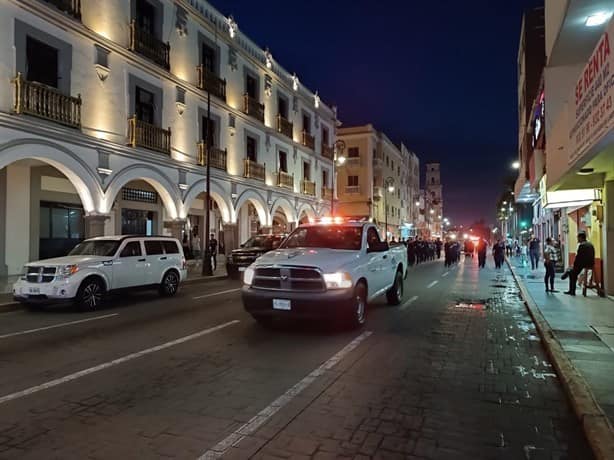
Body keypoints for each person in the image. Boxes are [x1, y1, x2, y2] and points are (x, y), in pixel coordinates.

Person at [564, 231, 595, 296]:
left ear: (581, 238)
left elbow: (578, 258)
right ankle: (567, 272)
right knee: (572, 270)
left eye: (578, 238)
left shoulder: (582, 245)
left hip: (584, 264)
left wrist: (574, 265)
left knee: (572, 273)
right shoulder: (590, 244)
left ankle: (572, 291)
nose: (577, 239)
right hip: (590, 263)